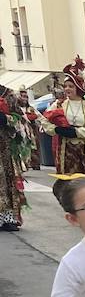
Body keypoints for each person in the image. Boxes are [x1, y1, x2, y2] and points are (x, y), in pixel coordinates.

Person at [40, 57, 85, 181]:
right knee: (70, 185)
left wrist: (77, 132)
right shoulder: (58, 104)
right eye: (65, 86)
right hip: (66, 152)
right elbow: (44, 120)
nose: (67, 89)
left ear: (78, 88)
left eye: (71, 86)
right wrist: (56, 130)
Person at [0, 86, 31, 230]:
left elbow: (19, 118)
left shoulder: (8, 95)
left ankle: (8, 217)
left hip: (5, 147)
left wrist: (6, 118)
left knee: (7, 179)